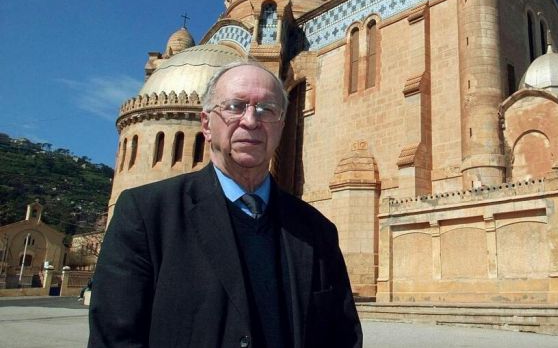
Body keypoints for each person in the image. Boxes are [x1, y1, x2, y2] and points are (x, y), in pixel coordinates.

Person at [88, 61, 362, 347]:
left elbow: (343, 336)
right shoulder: (146, 215)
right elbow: (115, 338)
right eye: (235, 106)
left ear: (281, 126)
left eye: (267, 109)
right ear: (206, 124)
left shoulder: (316, 231)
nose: (251, 121)